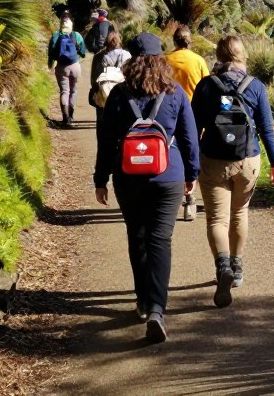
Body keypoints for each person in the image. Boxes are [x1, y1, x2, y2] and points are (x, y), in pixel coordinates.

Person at [94, 33, 199, 344]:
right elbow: (190, 138)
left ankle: (142, 299)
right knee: (160, 240)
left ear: (131, 61)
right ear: (160, 60)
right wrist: (191, 174)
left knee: (137, 236)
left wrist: (100, 179)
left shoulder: (118, 95)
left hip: (128, 177)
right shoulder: (175, 93)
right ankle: (156, 309)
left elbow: (106, 140)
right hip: (168, 176)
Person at [191, 35, 274, 309]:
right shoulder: (256, 86)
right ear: (242, 55)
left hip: (213, 159)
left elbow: (192, 128)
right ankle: (237, 266)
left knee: (217, 219)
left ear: (219, 55)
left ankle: (223, 266)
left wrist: (190, 165)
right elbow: (266, 129)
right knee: (239, 213)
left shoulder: (206, 86)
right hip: (247, 159)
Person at [48, 14, 86, 125]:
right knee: (73, 90)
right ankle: (71, 115)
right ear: (71, 23)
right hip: (75, 66)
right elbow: (83, 51)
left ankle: (65, 118)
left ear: (61, 23)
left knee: (64, 91)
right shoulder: (76, 35)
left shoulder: (56, 36)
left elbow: (51, 53)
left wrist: (50, 65)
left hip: (61, 67)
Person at [89, 29, 131, 118]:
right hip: (122, 95)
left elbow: (94, 78)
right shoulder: (127, 55)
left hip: (103, 94)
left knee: (102, 120)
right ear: (120, 41)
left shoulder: (98, 56)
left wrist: (95, 91)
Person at [165, 25, 209, 99]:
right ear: (189, 41)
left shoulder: (164, 59)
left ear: (174, 42)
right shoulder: (199, 60)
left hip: (169, 103)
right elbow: (207, 86)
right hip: (192, 104)